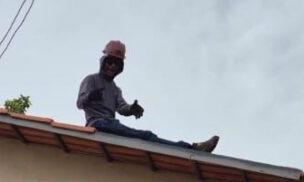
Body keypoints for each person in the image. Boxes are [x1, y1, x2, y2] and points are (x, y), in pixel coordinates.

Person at [77, 40, 219, 153]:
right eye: (110, 62)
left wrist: (132, 109)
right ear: (103, 61)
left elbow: (121, 107)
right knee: (146, 136)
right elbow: (80, 103)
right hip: (98, 123)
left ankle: (189, 148)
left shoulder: (115, 89)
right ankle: (190, 148)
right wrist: (90, 96)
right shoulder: (91, 80)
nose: (112, 66)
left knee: (144, 138)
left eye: (117, 63)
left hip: (112, 124)